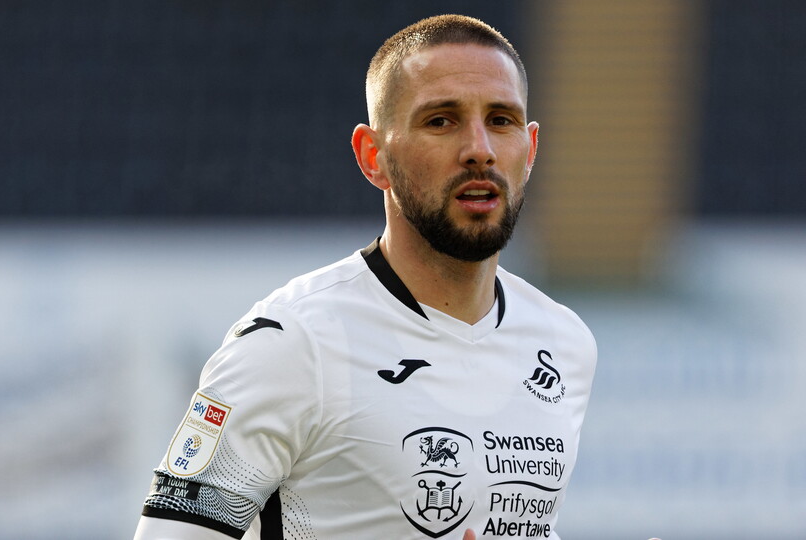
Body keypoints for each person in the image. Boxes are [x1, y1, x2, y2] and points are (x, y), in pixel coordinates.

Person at [133, 14, 596, 539]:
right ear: (372, 156)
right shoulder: (293, 343)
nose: (480, 149)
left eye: (501, 120)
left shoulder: (565, 342)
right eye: (441, 120)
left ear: (530, 150)